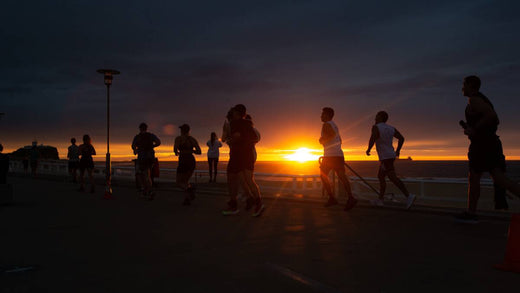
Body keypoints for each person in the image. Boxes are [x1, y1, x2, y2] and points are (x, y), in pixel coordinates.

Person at [457, 75, 520, 223]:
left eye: (464, 84)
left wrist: (474, 130)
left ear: (471, 86)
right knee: (499, 179)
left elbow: (492, 116)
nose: (462, 87)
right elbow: (493, 119)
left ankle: (471, 213)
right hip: (491, 144)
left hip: (482, 145)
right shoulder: (481, 99)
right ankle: (471, 212)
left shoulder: (474, 99)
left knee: (475, 178)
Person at [366, 111, 416, 209]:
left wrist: (368, 149)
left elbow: (372, 138)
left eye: (376, 117)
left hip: (385, 157)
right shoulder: (391, 128)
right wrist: (397, 151)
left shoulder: (376, 127)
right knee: (381, 176)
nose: (375, 118)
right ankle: (380, 200)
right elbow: (401, 138)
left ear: (381, 118)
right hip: (390, 155)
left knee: (392, 177)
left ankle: (409, 196)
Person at [222, 104, 264, 216]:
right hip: (247, 154)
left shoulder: (235, 123)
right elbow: (256, 138)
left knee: (234, 179)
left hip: (239, 155)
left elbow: (234, 137)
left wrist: (230, 140)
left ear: (236, 113)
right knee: (247, 179)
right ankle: (256, 202)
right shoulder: (249, 124)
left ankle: (236, 205)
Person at [319, 107, 357, 211]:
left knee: (323, 175)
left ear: (327, 115)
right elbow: (339, 140)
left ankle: (332, 198)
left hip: (330, 155)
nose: (321, 116)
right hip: (338, 154)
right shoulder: (334, 125)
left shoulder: (326, 124)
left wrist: (322, 140)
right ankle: (350, 197)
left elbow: (331, 135)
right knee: (341, 176)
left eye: (322, 114)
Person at [132, 123, 161, 199]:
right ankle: (147, 190)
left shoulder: (138, 137)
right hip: (150, 157)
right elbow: (158, 142)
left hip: (142, 158)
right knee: (147, 175)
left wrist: (136, 150)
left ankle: (148, 190)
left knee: (140, 174)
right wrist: (152, 146)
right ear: (146, 128)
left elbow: (133, 146)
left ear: (140, 128)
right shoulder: (151, 136)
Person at [174, 124, 201, 205]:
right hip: (191, 160)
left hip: (183, 160)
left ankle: (190, 189)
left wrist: (179, 152)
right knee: (185, 181)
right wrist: (191, 151)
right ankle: (187, 199)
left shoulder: (178, 139)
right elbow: (199, 152)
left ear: (182, 131)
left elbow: (175, 150)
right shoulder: (192, 139)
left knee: (179, 182)